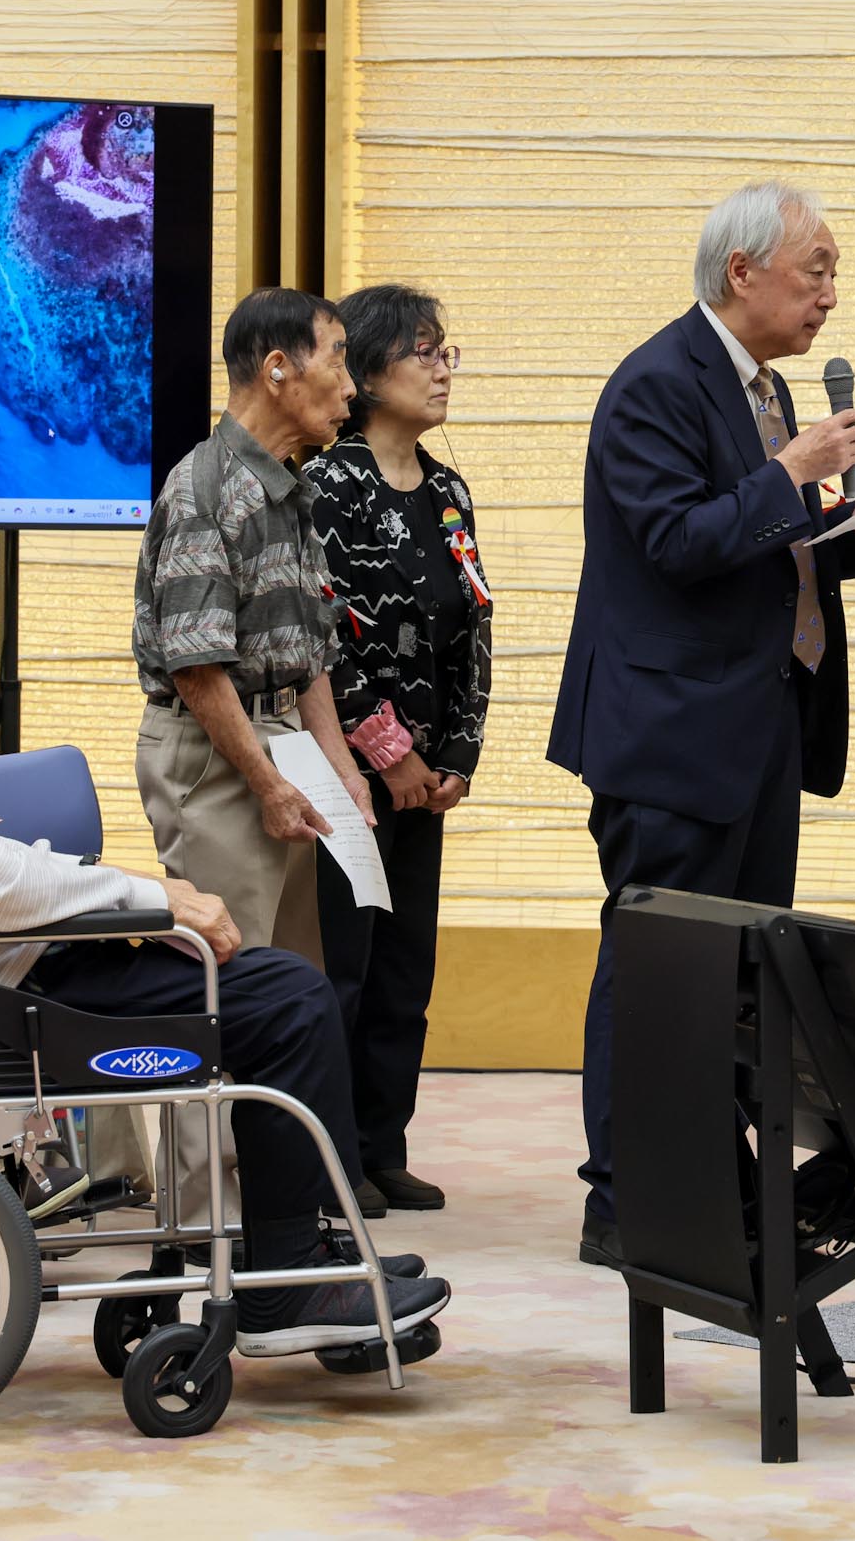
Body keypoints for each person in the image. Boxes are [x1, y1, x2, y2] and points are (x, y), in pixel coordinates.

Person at [0, 492, 448, 1351]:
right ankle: (288, 1283)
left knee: (266, 980)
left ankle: (311, 1255)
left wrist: (133, 897)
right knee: (286, 998)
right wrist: (151, 898)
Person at [548, 180, 855, 1267]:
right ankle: (622, 1202)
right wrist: (791, 473)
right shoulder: (655, 384)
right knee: (655, 963)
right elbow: (674, 541)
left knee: (739, 972)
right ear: (742, 273)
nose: (829, 296)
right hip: (671, 736)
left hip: (755, 725)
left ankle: (710, 1181)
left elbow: (757, 547)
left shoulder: (755, 388)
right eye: (816, 271)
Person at [304, 284, 492, 1218]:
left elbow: (476, 630)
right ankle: (330, 1161)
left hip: (428, 783)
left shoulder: (449, 490)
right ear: (371, 369)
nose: (443, 367)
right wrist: (390, 757)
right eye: (425, 352)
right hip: (349, 775)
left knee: (405, 969)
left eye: (447, 350)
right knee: (345, 966)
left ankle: (385, 1146)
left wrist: (456, 757)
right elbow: (325, 642)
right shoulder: (326, 484)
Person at [133, 286, 376, 965]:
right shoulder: (202, 489)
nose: (351, 388)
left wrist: (340, 766)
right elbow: (196, 667)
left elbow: (310, 652)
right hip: (217, 756)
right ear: (277, 369)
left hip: (282, 746)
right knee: (231, 975)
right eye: (337, 360)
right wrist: (267, 784)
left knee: (292, 976)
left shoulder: (286, 487)